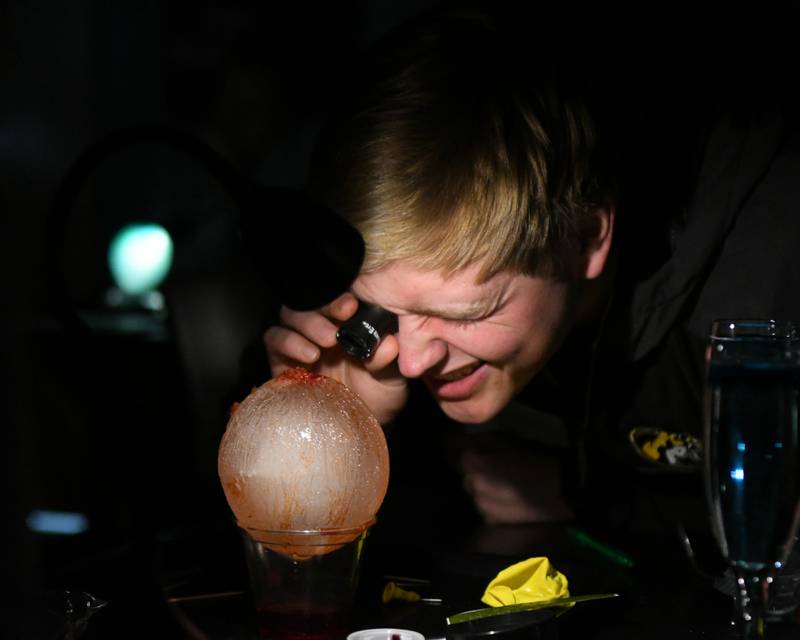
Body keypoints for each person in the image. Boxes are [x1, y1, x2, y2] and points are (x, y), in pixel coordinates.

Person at [263, 7, 800, 538]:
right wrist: (337, 432)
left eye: (466, 313)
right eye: (384, 313)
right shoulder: (358, 343)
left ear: (586, 236)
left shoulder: (765, 287)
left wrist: (580, 495)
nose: (412, 358)